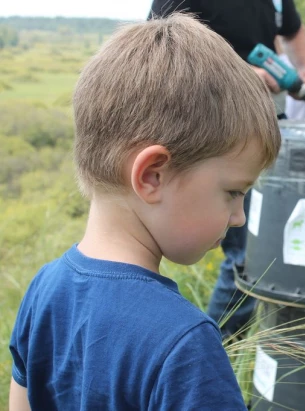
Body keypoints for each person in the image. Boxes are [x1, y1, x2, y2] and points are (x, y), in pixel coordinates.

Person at [8, 15, 280, 409]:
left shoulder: (43, 290)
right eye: (233, 192)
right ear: (152, 175)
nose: (239, 216)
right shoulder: (185, 344)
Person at [149, 0, 305, 338]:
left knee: (276, 242)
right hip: (220, 127)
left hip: (270, 121)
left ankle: (256, 342)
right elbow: (158, 48)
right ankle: (215, 351)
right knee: (248, 256)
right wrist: (240, 73)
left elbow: (294, 29)